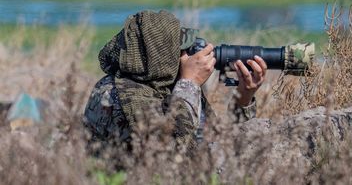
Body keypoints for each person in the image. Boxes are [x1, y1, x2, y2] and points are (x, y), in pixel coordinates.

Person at [83, 10, 267, 152]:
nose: (188, 56)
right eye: (182, 51)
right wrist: (189, 83)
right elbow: (171, 149)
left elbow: (215, 147)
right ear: (158, 57)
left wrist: (243, 98)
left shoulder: (167, 88)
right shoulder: (113, 94)